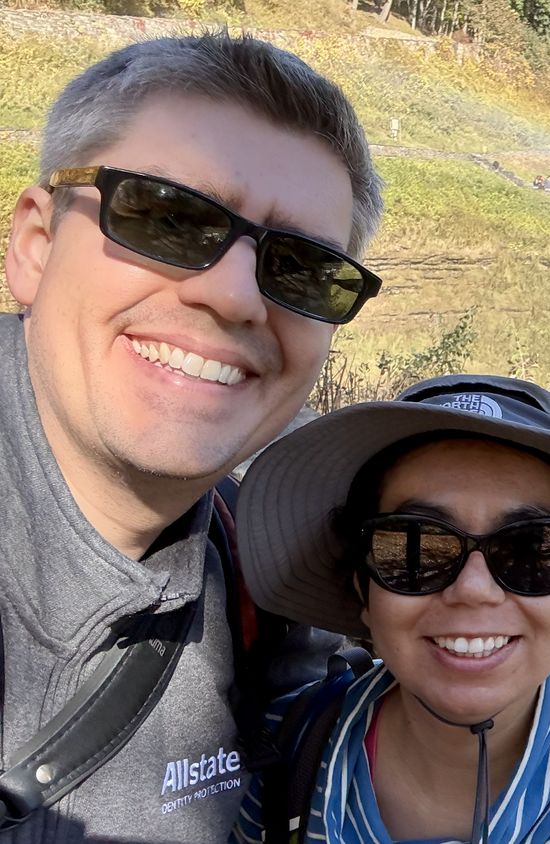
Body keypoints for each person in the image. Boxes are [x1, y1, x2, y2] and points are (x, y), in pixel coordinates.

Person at [0, 34, 383, 842]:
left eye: (303, 268)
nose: (236, 296)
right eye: (169, 217)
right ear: (35, 245)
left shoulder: (256, 591)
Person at [230, 375, 550, 843]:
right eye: (416, 547)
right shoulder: (291, 748)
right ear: (362, 587)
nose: (475, 590)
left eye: (534, 551)